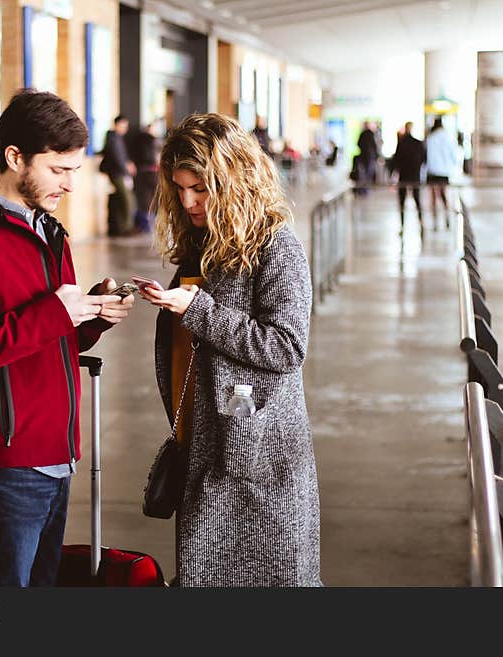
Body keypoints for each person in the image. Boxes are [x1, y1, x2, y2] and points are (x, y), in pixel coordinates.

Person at [0, 90, 134, 587]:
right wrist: (56, 310)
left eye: (74, 171)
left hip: (58, 453)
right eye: (59, 170)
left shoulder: (49, 232)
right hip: (6, 462)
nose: (70, 184)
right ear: (15, 158)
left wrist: (93, 316)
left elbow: (52, 338)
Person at [140, 113, 320, 586]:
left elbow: (286, 345)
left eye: (199, 188)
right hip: (206, 446)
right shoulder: (203, 242)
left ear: (232, 179)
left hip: (260, 458)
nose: (188, 201)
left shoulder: (276, 247)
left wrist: (196, 309)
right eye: (179, 189)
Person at [99, 115, 136, 236]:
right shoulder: (113, 138)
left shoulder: (117, 138)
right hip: (117, 173)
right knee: (127, 199)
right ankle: (126, 228)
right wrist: (126, 170)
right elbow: (118, 158)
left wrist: (128, 164)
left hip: (120, 172)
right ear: (117, 124)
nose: (125, 128)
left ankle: (123, 226)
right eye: (123, 125)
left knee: (124, 199)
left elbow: (122, 157)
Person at [390, 121, 426, 236]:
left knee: (402, 201)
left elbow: (396, 161)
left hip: (404, 177)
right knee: (417, 200)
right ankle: (421, 223)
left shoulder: (402, 143)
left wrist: (393, 174)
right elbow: (424, 159)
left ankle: (402, 225)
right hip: (415, 176)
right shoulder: (418, 143)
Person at [425, 116, 458, 227]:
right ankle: (447, 216)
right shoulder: (449, 137)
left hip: (432, 171)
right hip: (444, 172)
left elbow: (427, 156)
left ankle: (435, 220)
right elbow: (454, 155)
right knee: (444, 195)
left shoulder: (430, 138)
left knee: (433, 197)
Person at [133, 120, 162, 233]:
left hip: (142, 172)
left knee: (144, 199)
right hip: (153, 172)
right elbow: (157, 157)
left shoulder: (138, 140)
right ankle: (152, 223)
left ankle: (146, 225)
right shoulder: (154, 141)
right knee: (153, 198)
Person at [354, 121, 378, 195]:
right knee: (368, 174)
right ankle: (365, 189)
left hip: (364, 156)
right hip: (370, 157)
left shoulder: (363, 134)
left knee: (364, 174)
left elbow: (358, 144)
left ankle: (363, 189)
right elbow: (374, 146)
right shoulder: (370, 134)